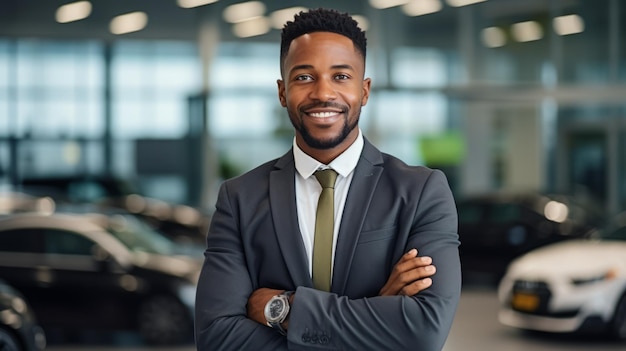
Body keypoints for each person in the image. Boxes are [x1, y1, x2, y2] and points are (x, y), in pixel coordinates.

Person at [195, 7, 461, 351]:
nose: (323, 93)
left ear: (364, 91)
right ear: (282, 91)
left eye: (341, 76)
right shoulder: (239, 199)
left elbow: (424, 331)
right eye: (304, 77)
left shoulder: (421, 192)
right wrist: (377, 314)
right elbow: (217, 337)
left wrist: (282, 308)